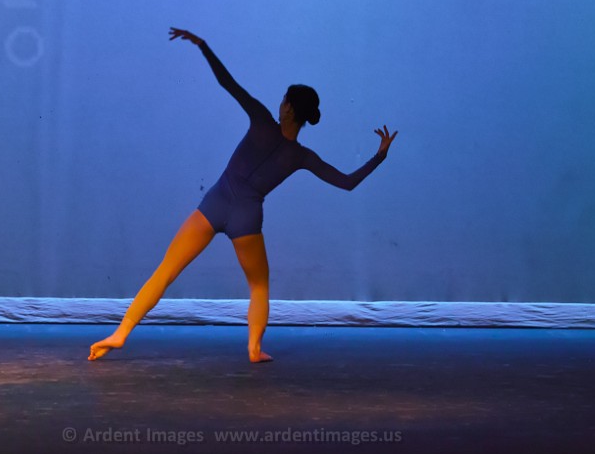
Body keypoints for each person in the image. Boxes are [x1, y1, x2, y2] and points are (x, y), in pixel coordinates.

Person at [88, 28, 397, 363]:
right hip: (246, 217)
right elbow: (347, 182)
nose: (280, 103)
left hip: (216, 203)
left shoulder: (262, 120)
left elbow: (228, 83)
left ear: (289, 108)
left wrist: (203, 46)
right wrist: (379, 156)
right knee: (259, 287)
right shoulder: (301, 156)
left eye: (284, 100)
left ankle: (121, 334)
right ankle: (254, 349)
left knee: (166, 271)